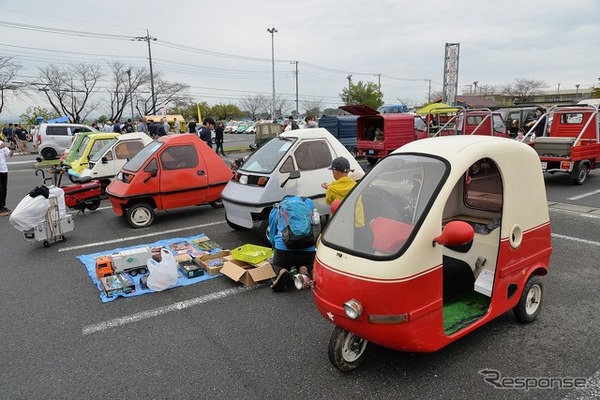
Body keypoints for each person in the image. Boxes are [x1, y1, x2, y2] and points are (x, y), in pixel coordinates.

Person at [268, 195, 316, 292]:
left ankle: (282, 271)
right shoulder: (308, 203)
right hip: (307, 248)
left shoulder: (278, 207)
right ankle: (304, 269)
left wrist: (274, 246)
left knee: (276, 264)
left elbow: (272, 230)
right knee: (310, 263)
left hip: (284, 249)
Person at [0, 140, 14, 216]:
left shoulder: (1, 142)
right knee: (0, 190)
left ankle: (3, 206)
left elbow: (9, 155)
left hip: (3, 169)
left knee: (4, 189)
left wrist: (12, 149)